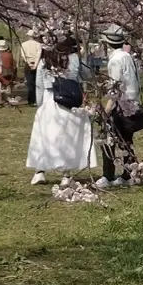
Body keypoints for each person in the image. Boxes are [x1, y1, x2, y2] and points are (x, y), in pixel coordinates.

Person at [28, 36, 97, 185]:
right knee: (68, 137)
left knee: (44, 136)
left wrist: (39, 104)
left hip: (49, 99)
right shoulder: (75, 58)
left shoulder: (45, 59)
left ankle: (40, 171)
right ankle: (66, 174)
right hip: (69, 100)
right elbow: (87, 75)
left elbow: (39, 85)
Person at [98, 24, 142, 188]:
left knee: (108, 140)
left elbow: (115, 88)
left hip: (120, 105)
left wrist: (107, 108)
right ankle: (129, 174)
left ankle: (107, 176)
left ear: (107, 43)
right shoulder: (127, 56)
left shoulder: (115, 60)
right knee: (126, 141)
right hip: (131, 102)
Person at [20, 29, 42, 106]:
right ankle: (37, 99)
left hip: (28, 64)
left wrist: (28, 63)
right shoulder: (38, 44)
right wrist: (35, 64)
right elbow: (39, 54)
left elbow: (23, 55)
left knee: (30, 83)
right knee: (37, 83)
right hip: (37, 63)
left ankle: (31, 100)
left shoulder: (23, 44)